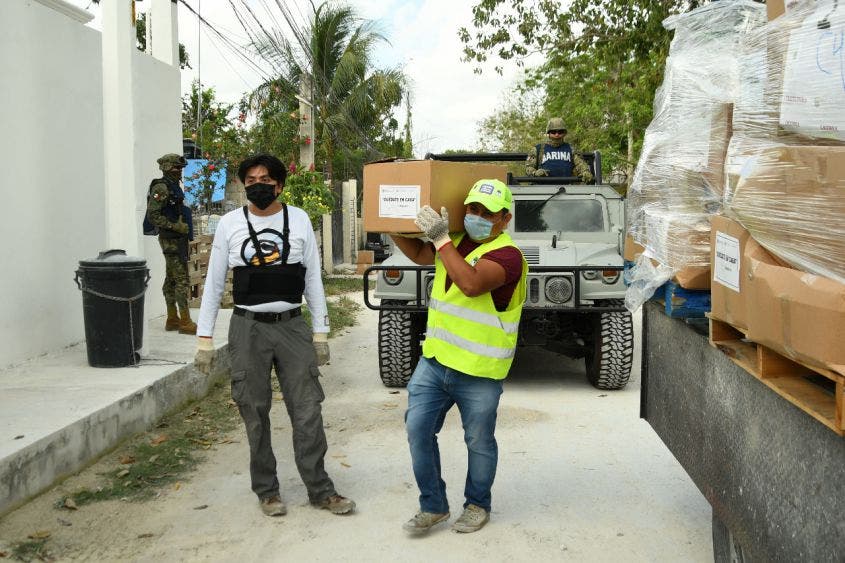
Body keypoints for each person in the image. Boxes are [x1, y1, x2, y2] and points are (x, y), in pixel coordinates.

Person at [193, 153, 355, 518]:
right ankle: (267, 490)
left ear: (280, 185)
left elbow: (313, 278)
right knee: (254, 409)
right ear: (242, 186)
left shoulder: (298, 220)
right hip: (247, 327)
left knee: (307, 408)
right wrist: (204, 339)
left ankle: (321, 489)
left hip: (292, 327)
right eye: (250, 180)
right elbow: (215, 281)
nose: (258, 186)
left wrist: (320, 332)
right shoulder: (230, 224)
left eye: (265, 179)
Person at [389, 179, 527, 535]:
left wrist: (440, 238)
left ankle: (477, 504)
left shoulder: (508, 256)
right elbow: (423, 256)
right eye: (472, 208)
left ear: (504, 219)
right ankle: (433, 506)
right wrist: (390, 225)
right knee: (417, 431)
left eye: (486, 212)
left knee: (478, 442)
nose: (476, 216)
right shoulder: (458, 242)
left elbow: (470, 283)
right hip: (434, 362)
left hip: (479, 371)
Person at [145, 153, 196, 334]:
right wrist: (176, 226)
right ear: (166, 167)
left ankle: (172, 318)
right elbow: (153, 215)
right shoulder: (162, 187)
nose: (179, 171)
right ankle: (185, 321)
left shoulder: (173, 186)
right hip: (171, 240)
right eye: (176, 167)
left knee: (172, 280)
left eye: (180, 168)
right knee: (182, 280)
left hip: (177, 239)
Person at [525, 117, 593, 182]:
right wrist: (535, 173)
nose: (557, 135)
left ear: (564, 133)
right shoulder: (538, 149)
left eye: (560, 132)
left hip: (567, 189)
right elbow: (528, 168)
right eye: (553, 132)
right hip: (543, 189)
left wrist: (585, 171)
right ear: (549, 133)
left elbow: (580, 164)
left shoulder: (571, 149)